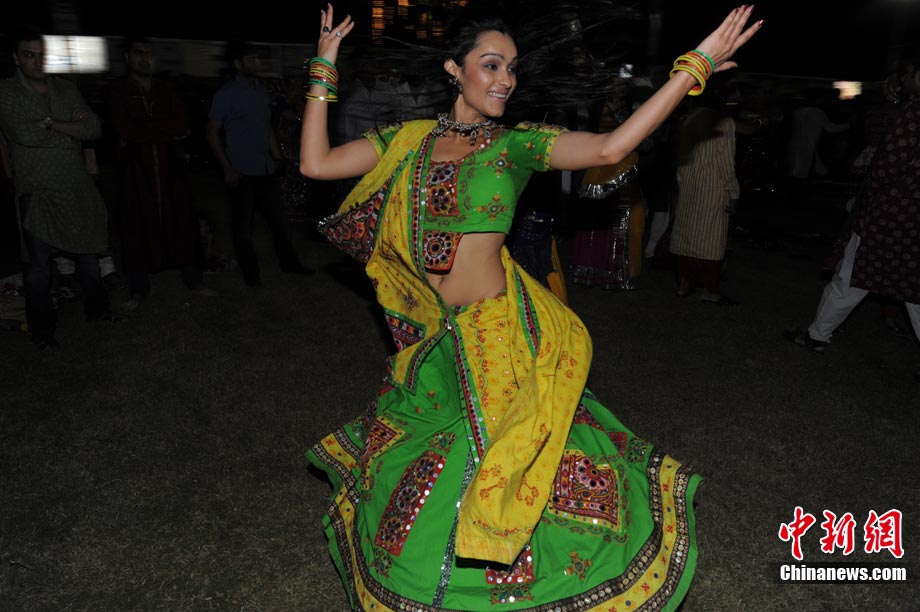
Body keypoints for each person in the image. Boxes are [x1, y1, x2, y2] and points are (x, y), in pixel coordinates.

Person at [304, 4, 761, 610]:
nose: (506, 80)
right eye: (491, 65)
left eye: (512, 68)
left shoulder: (516, 144)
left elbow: (612, 146)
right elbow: (315, 164)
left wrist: (691, 69)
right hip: (435, 338)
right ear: (453, 69)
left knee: (509, 466)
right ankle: (427, 577)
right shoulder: (407, 141)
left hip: (498, 335)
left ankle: (539, 580)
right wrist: (324, 66)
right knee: (425, 463)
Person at [785, 60, 920, 355]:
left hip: (891, 213)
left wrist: (865, 198)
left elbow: (888, 167)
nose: (905, 80)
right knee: (909, 287)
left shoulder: (913, 113)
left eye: (909, 75)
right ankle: (818, 334)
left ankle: (817, 335)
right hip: (909, 217)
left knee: (852, 275)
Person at [0, 27, 117, 349]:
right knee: (38, 268)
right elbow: (24, 134)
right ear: (16, 58)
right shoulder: (6, 91)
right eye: (29, 55)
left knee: (88, 256)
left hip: (76, 185)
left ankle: (98, 310)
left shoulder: (65, 88)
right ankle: (42, 332)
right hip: (37, 189)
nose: (37, 61)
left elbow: (93, 128)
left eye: (42, 55)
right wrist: (70, 127)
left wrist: (49, 123)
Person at [109, 36, 215, 308]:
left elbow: (181, 123)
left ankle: (193, 280)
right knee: (136, 223)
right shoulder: (119, 91)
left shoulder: (166, 88)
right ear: (127, 58)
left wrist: (145, 129)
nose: (144, 58)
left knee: (181, 219)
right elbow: (125, 129)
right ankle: (138, 289)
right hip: (136, 170)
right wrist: (164, 131)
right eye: (138, 53)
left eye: (148, 53)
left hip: (170, 168)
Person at [206, 41, 312, 288]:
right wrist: (227, 167)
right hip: (241, 171)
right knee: (244, 228)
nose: (257, 63)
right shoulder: (225, 95)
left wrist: (277, 158)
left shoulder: (261, 91)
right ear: (237, 64)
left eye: (257, 59)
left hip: (266, 170)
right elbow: (211, 132)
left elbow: (266, 129)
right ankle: (251, 274)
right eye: (251, 59)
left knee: (280, 222)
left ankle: (290, 264)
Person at [669, 77, 741, 305]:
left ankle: (684, 283)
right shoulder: (724, 121)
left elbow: (681, 156)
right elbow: (726, 163)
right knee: (712, 240)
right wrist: (733, 192)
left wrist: (681, 183)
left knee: (685, 234)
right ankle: (710, 289)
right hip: (713, 187)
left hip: (689, 184)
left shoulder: (690, 118)